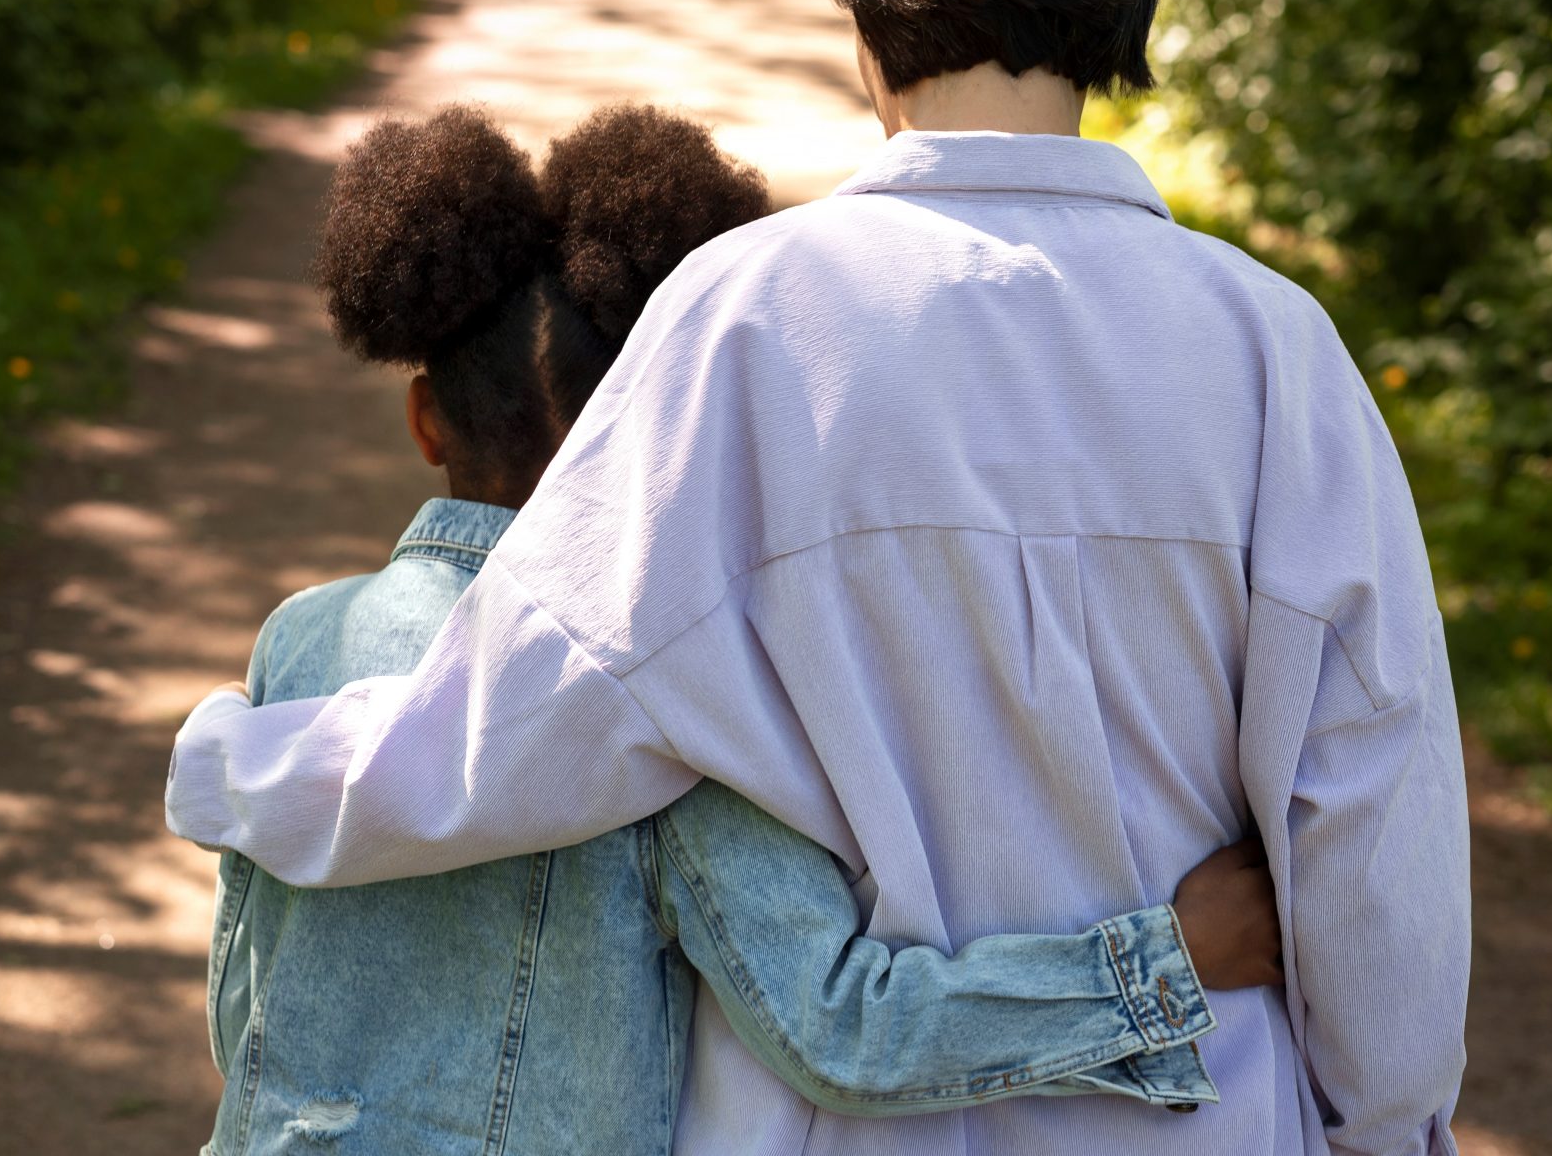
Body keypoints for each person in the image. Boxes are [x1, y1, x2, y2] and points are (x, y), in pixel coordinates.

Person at [169, 0, 1469, 1156]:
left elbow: (524, 728)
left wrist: (230, 771)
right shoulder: (1276, 352)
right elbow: (1371, 807)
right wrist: (1386, 1127)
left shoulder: (746, 320)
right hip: (1208, 1105)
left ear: (859, 18)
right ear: (1118, 5)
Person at [198, 103, 1286, 1155]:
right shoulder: (670, 688)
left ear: (424, 421)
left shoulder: (298, 645)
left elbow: (241, 1005)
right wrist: (1166, 966)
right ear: (658, 425)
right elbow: (838, 1032)